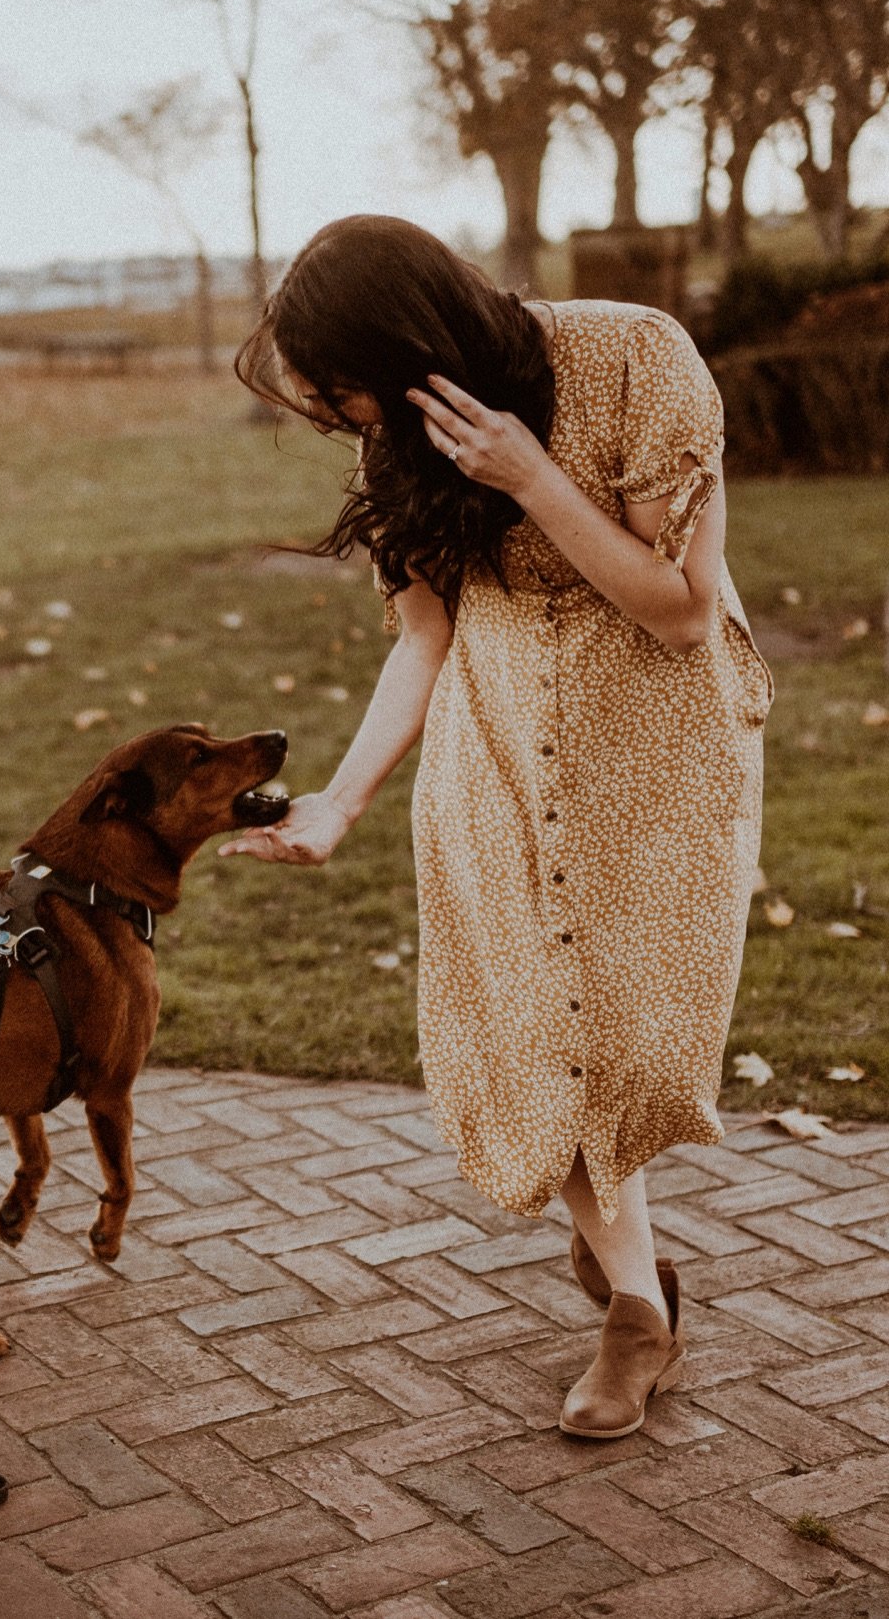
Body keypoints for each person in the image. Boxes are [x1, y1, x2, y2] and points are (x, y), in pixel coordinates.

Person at [220, 215, 772, 1439]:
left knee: (628, 1038)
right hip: (496, 750)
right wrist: (339, 802)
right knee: (532, 1027)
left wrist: (531, 478)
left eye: (350, 386)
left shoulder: (637, 358)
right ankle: (637, 1309)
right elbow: (426, 636)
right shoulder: (400, 446)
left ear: (413, 341)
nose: (347, 417)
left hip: (658, 741)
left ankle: (612, 1241)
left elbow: (679, 610)